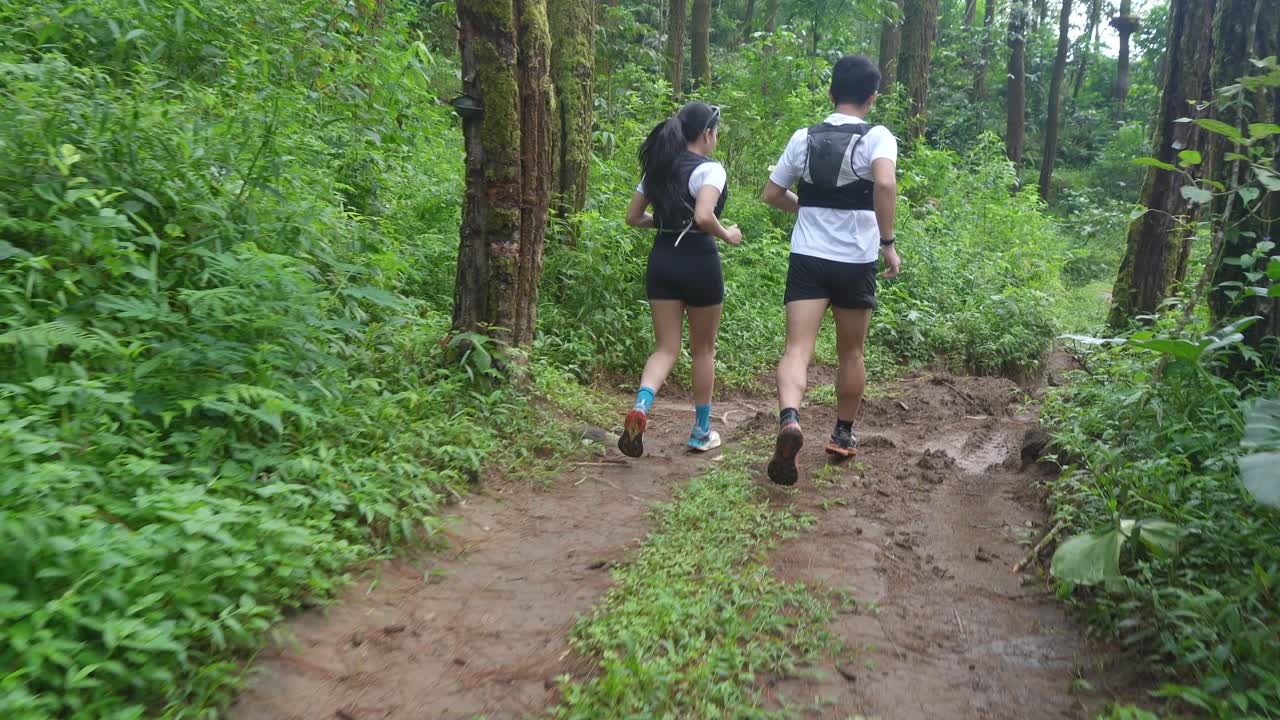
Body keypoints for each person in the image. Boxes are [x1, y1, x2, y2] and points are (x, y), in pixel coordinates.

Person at [759, 55, 901, 486]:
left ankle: (789, 419)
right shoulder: (878, 136)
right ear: (872, 98)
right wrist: (887, 243)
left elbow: (771, 193)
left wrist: (806, 208)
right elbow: (885, 183)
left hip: (808, 257)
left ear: (830, 93)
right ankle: (841, 433)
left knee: (796, 349)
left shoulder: (804, 136)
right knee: (851, 353)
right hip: (856, 261)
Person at [618, 102, 743, 458]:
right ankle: (701, 431)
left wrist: (665, 223)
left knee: (665, 348)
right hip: (699, 261)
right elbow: (705, 216)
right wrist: (728, 234)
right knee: (703, 349)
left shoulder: (658, 169)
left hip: (662, 260)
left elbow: (633, 217)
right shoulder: (710, 170)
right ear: (707, 133)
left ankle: (641, 407)